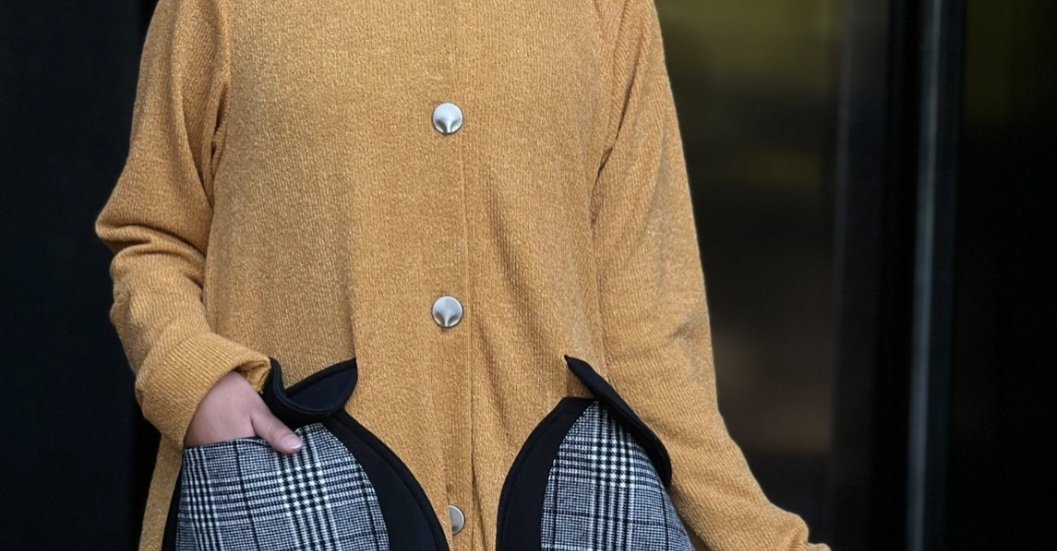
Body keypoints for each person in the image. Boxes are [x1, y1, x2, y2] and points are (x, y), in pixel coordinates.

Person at [94, 0, 831, 550]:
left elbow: (648, 330)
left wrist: (760, 539)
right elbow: (154, 236)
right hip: (295, 508)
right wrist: (197, 383)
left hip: (558, 512)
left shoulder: (609, 12)